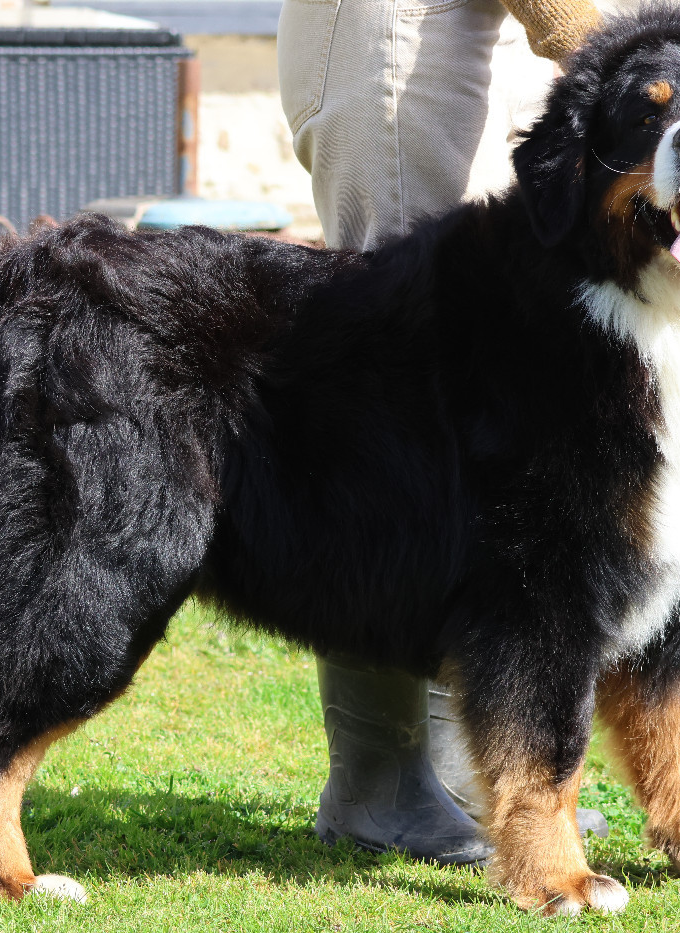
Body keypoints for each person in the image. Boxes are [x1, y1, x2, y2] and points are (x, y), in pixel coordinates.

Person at [277, 0, 608, 862]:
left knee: (472, 425)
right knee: (398, 419)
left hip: (470, 35)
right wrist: (598, 46)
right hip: (401, 39)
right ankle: (379, 781)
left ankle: (464, 764)